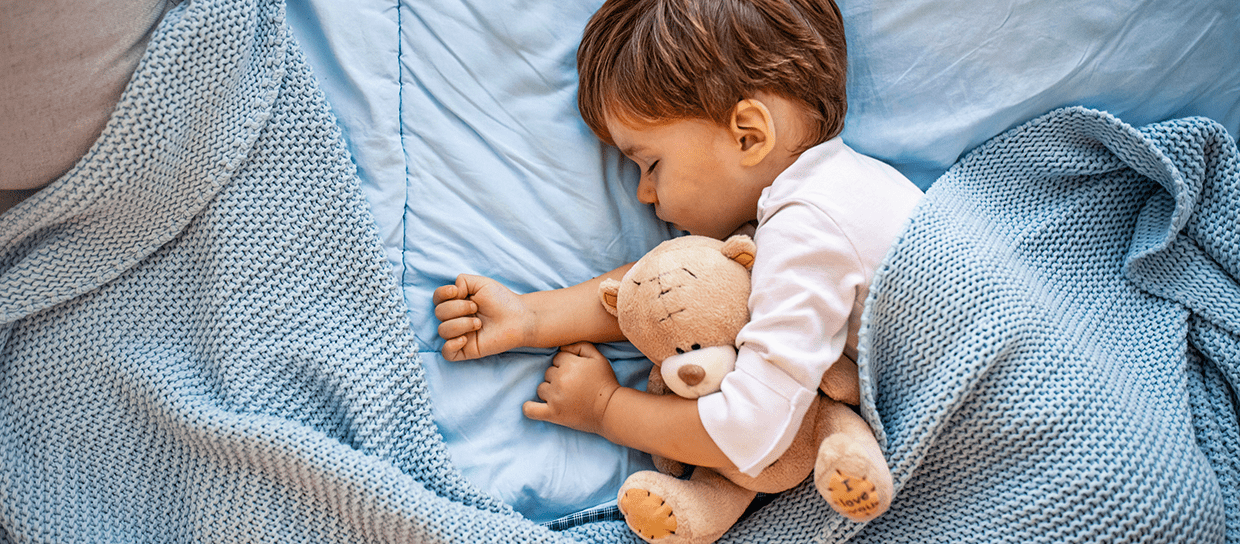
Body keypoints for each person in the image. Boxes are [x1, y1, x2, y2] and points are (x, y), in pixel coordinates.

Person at [433, 0, 922, 478]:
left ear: (748, 136)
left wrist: (606, 409)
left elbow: (751, 431)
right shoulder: (824, 197)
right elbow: (679, 289)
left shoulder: (810, 228)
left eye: (651, 164)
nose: (644, 194)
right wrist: (531, 318)